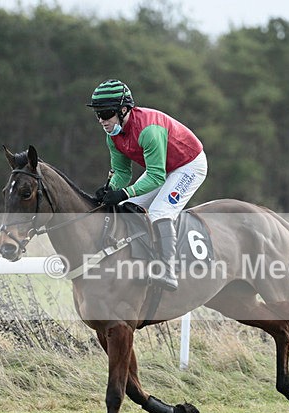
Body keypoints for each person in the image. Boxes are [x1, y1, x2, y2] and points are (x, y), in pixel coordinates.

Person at [87, 79, 207, 292]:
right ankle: (143, 260)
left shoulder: (148, 130)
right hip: (163, 168)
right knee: (129, 206)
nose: (101, 121)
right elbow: (123, 173)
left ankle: (168, 270)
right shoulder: (112, 135)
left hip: (188, 164)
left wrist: (123, 191)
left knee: (160, 211)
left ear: (123, 110)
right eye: (98, 115)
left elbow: (156, 177)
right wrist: (111, 189)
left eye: (105, 114)